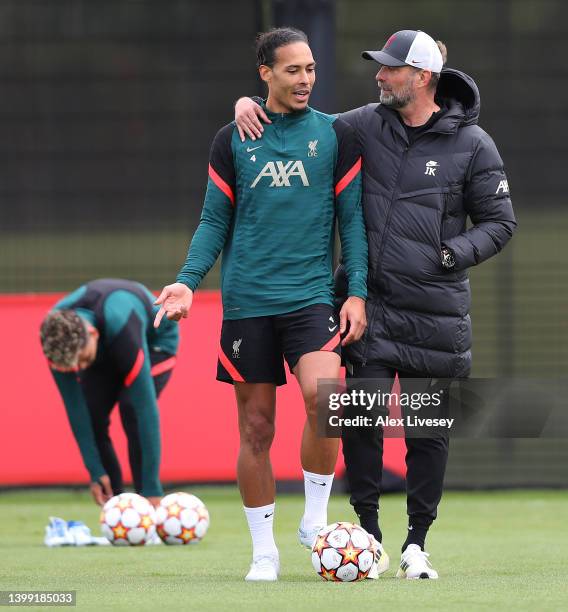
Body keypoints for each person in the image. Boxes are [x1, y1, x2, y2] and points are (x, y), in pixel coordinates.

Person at [234, 29, 516, 579]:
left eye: (390, 69)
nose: (380, 76)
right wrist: (247, 103)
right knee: (359, 422)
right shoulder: (361, 125)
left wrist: (449, 256)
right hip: (369, 310)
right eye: (380, 68)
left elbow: (501, 222)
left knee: (426, 432)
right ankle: (369, 531)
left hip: (436, 311)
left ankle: (416, 543)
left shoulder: (474, 145)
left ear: (423, 78)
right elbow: (297, 121)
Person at [154, 27, 368, 581]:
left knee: (329, 402)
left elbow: (353, 224)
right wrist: (185, 281)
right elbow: (212, 221)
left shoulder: (336, 135)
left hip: (312, 297)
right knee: (256, 430)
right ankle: (263, 552)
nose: (305, 80)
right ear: (265, 73)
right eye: (293, 70)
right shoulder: (231, 139)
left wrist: (359, 293)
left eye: (312, 69)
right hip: (248, 303)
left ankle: (315, 521)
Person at [40, 278, 179, 507]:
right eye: (75, 366)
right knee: (92, 412)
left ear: (92, 333)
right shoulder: (55, 338)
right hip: (102, 351)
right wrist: (94, 469)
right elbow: (76, 408)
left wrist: (152, 488)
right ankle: (115, 504)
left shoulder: (122, 325)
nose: (80, 368)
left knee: (131, 408)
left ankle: (146, 497)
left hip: (154, 342)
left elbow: (146, 410)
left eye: (82, 360)